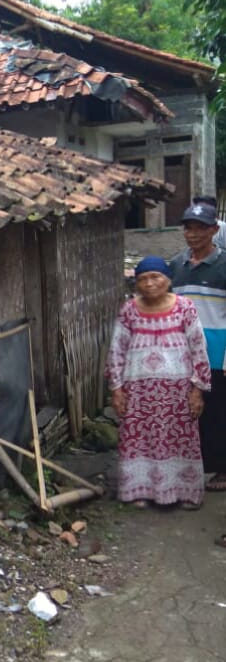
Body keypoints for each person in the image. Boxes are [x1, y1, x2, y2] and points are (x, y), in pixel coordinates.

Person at [106, 255, 211, 508]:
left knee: (180, 439)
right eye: (142, 279)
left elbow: (199, 347)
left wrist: (198, 389)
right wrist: (117, 388)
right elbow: (117, 349)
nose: (149, 284)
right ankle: (139, 491)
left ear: (168, 280)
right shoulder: (129, 310)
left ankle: (185, 493)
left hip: (178, 390)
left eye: (155, 277)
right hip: (138, 391)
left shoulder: (185, 307)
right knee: (139, 439)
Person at [169, 198, 226, 492]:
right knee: (188, 412)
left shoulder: (224, 264)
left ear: (214, 229)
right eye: (189, 228)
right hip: (182, 354)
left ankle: (222, 469)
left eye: (201, 228)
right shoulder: (176, 265)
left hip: (217, 352)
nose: (193, 234)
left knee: (218, 412)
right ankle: (193, 466)